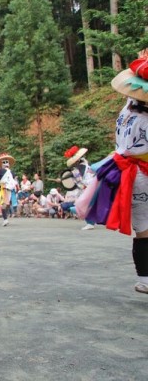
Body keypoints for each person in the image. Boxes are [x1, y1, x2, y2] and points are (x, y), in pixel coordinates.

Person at [76, 50, 148, 294]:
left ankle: (144, 278)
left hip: (130, 170)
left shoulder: (127, 110)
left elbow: (133, 95)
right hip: (141, 174)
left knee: (142, 229)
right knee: (145, 229)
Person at [0, 153, 17, 226]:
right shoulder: (12, 172)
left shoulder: (2, 170)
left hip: (5, 189)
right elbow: (14, 180)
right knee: (6, 204)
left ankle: (5, 219)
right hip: (10, 190)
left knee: (4, 205)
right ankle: (6, 218)